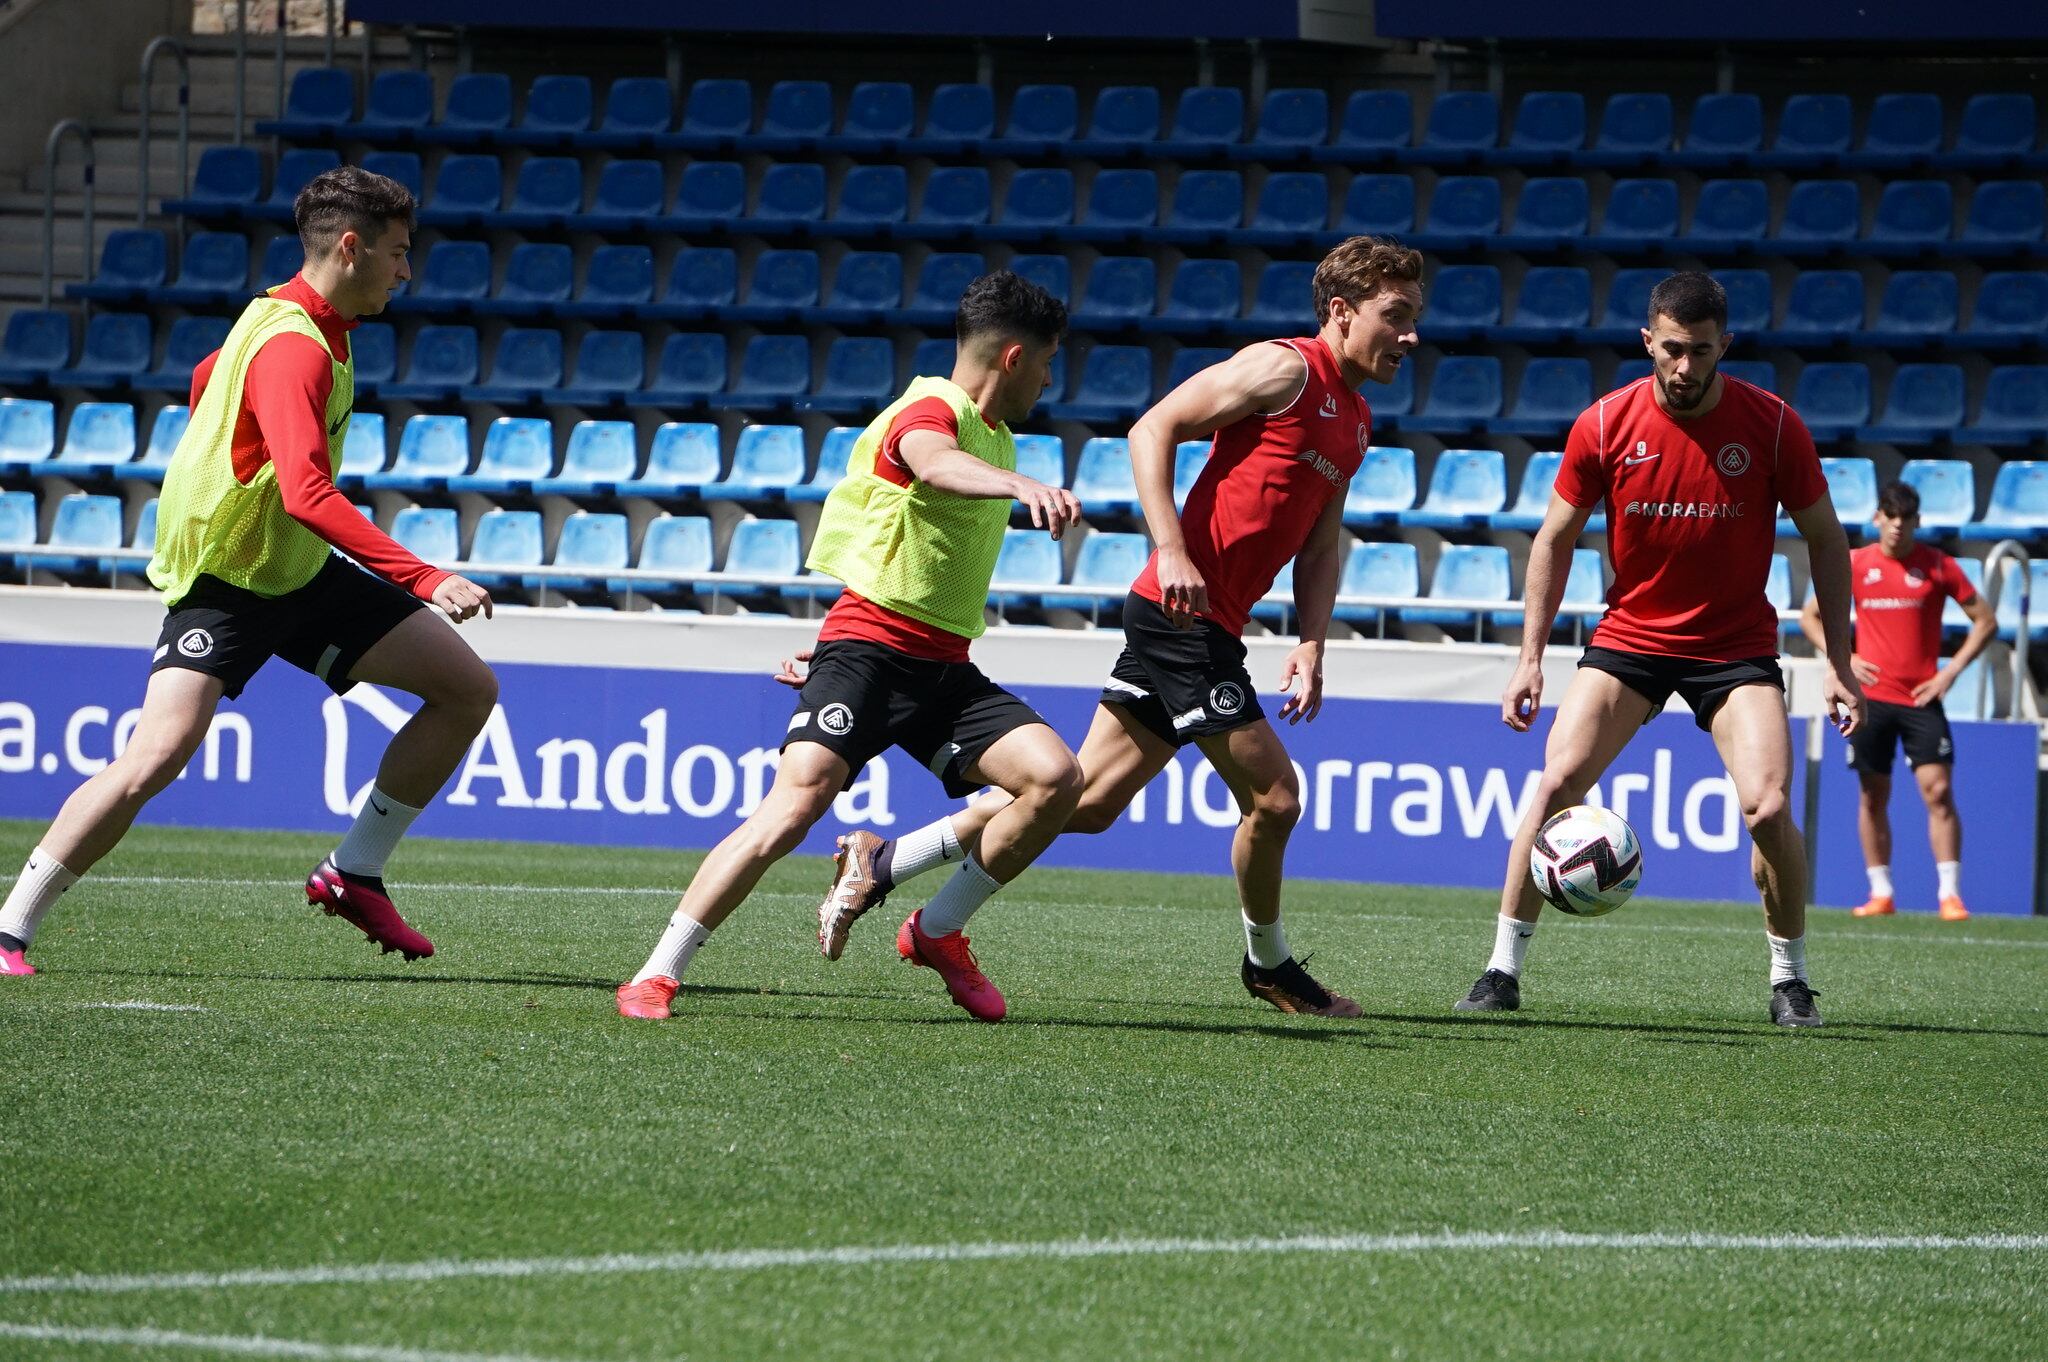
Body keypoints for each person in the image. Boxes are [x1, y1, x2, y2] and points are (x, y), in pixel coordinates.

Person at [809, 235, 1424, 1019]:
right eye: (1394, 315)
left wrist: (1310, 643)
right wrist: (1171, 550)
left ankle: (884, 860)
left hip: (1207, 626)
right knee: (1275, 799)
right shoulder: (1285, 368)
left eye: (1413, 317)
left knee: (1086, 804)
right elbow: (1151, 429)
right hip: (1179, 620)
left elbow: (1320, 541)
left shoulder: (1358, 419)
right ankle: (1267, 966)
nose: (1409, 336)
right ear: (1340, 312)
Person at [0, 166, 498, 978]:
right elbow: (305, 491)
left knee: (467, 689)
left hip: (298, 572)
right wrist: (424, 578)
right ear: (350, 247)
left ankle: (353, 872)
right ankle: (8, 927)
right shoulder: (296, 347)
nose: (407, 271)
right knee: (155, 757)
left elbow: (206, 381)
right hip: (232, 583)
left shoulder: (290, 317)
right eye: (400, 253)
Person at [616, 271, 1084, 1023]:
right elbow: (931, 462)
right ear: (1014, 357)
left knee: (1055, 780)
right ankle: (657, 973)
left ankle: (936, 931)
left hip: (942, 670)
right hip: (867, 652)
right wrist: (1016, 483)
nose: (1052, 379)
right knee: (793, 809)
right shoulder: (933, 408)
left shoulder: (995, 434)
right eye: (1050, 361)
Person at [1453, 270, 1863, 1029]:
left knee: (1769, 806)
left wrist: (1836, 663)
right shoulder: (1603, 425)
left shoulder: (1773, 426)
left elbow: (1828, 542)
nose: (1684, 367)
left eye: (1700, 351)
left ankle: (1790, 980)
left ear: (1723, 346)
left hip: (1734, 647)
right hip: (1631, 639)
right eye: (1671, 349)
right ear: (1648, 341)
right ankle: (1500, 969)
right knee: (1553, 785)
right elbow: (1554, 539)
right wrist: (1530, 657)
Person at [1800, 480, 1996, 921]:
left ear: (1917, 522)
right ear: (1877, 519)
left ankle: (1949, 893)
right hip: (1871, 700)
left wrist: (1949, 673)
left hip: (1922, 697)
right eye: (1890, 517)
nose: (1897, 527)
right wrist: (1844, 657)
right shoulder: (1855, 563)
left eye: (1905, 519)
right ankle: (1881, 890)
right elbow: (1811, 615)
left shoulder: (1938, 565)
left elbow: (1984, 621)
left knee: (1939, 791)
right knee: (1873, 794)